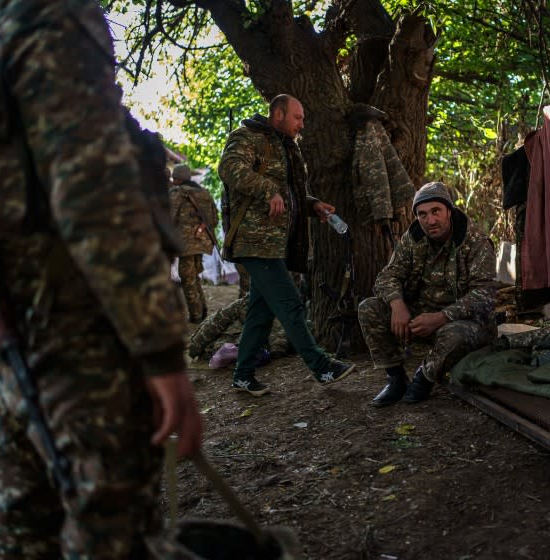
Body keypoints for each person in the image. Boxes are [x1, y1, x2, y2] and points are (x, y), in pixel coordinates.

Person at [0, 1, 203, 557]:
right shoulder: (46, 11)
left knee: (22, 532)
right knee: (109, 536)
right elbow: (93, 187)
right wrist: (159, 350)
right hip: (80, 339)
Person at [218, 94, 354, 396]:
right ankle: (322, 367)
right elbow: (229, 168)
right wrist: (268, 190)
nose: (302, 124)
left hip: (275, 244)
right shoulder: (246, 137)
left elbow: (290, 194)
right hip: (254, 241)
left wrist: (313, 205)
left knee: (261, 311)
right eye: (297, 117)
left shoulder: (284, 146)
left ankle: (242, 375)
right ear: (278, 114)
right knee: (290, 303)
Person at [358, 181, 498, 406]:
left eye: (436, 212)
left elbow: (485, 295)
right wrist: (397, 305)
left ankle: (423, 378)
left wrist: (442, 317)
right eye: (422, 214)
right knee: (369, 308)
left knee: (456, 335)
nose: (430, 220)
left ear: (449, 212)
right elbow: (387, 276)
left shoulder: (475, 242)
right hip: (422, 316)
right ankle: (395, 379)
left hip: (463, 322)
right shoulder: (413, 238)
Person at [169, 163, 219, 323]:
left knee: (187, 278)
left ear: (178, 179)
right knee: (193, 276)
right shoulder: (204, 193)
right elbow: (214, 219)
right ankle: (202, 309)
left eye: (174, 178)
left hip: (186, 243)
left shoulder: (177, 193)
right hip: (203, 241)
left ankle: (195, 315)